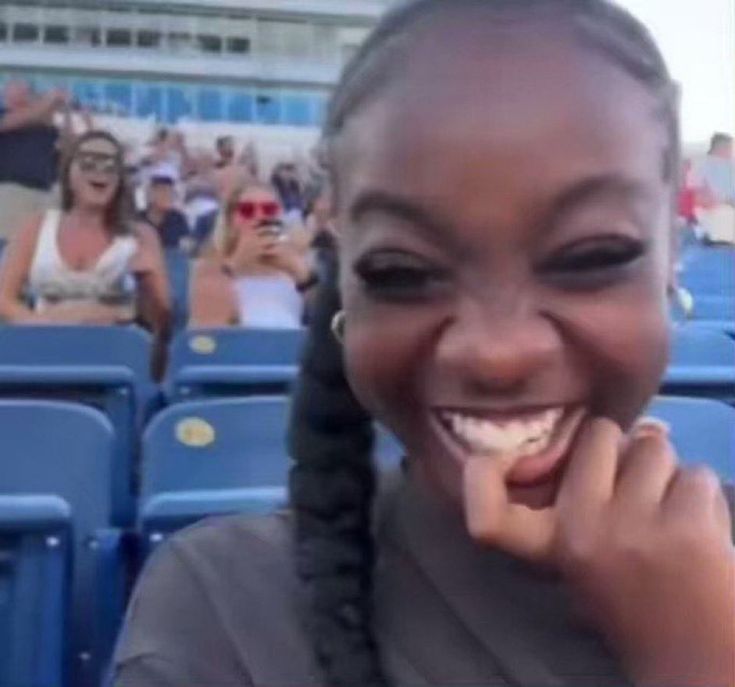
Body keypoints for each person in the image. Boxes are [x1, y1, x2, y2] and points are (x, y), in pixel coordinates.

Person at [113, 2, 735, 686]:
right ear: (345, 280)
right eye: (401, 272)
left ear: (671, 255)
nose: (495, 352)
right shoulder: (226, 610)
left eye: (590, 256)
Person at [0, 130, 171, 373]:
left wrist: (147, 282)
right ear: (69, 173)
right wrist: (43, 323)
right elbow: (4, 299)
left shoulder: (141, 236)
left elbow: (160, 321)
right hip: (43, 351)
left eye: (110, 165)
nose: (99, 171)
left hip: (113, 354)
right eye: (88, 162)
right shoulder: (37, 228)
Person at [188, 181, 317, 328]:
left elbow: (328, 322)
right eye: (247, 210)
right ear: (231, 221)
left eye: (269, 210)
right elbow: (211, 330)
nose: (260, 217)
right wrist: (235, 265)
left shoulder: (298, 263)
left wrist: (302, 274)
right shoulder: (210, 269)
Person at [0, 81, 74, 242]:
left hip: (43, 194)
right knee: (8, 243)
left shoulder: (46, 128)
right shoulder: (5, 116)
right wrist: (52, 97)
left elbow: (69, 148)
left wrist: (67, 111)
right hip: (12, 191)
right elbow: (29, 115)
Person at [693, 133, 735, 245]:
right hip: (715, 211)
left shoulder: (730, 166)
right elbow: (699, 198)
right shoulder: (703, 166)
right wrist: (724, 201)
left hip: (726, 208)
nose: (731, 151)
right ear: (720, 147)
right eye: (730, 147)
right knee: (725, 214)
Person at [139, 172, 191, 251]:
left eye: (171, 193)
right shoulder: (137, 219)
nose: (168, 196)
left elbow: (187, 246)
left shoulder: (178, 219)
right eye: (163, 192)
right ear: (150, 195)